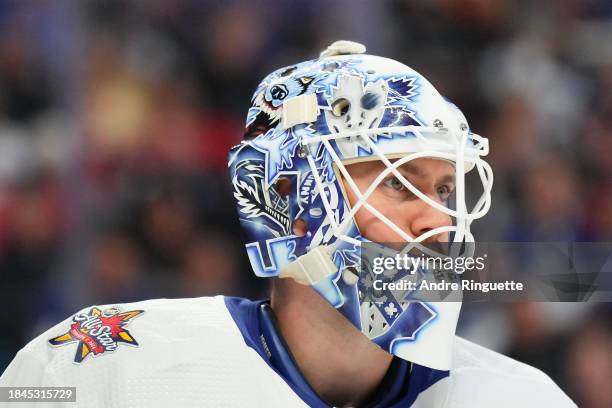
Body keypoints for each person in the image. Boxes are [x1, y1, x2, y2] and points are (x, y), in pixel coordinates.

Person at [0, 41, 575, 408]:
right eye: (398, 181)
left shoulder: (521, 398)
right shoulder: (105, 366)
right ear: (283, 193)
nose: (437, 220)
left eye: (446, 189)